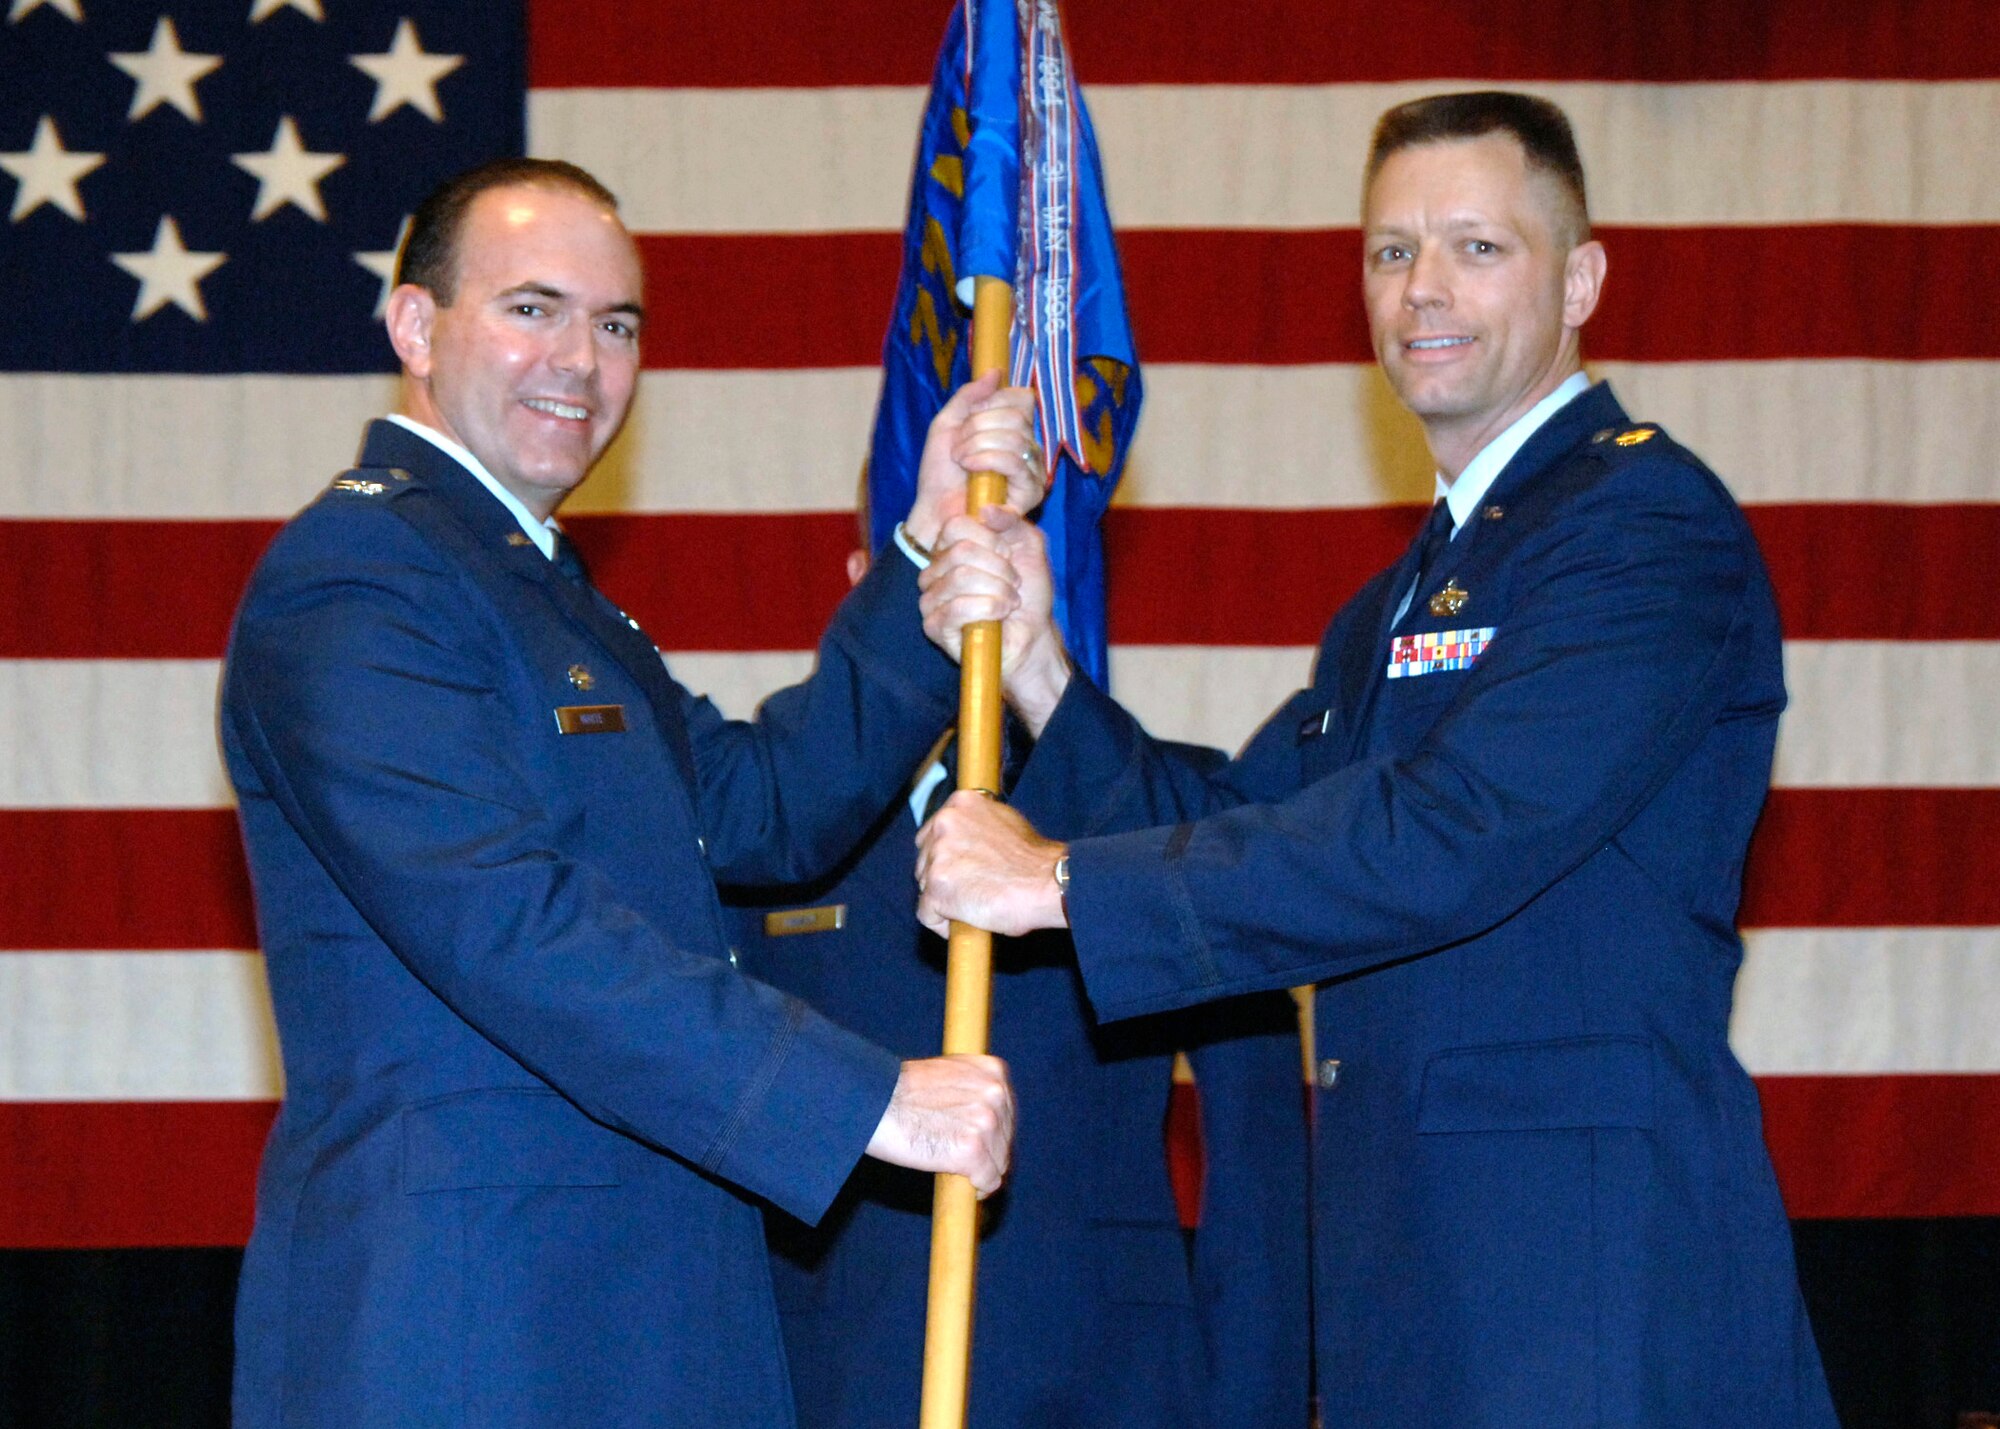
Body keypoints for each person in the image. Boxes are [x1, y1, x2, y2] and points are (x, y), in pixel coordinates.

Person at [912, 93, 1839, 1425]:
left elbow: (1448, 834)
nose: (1423, 291)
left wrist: (1057, 883)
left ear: (1581, 279)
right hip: (1404, 1294)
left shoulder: (1642, 527)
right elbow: (1240, 817)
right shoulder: (1401, 602)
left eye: (1477, 247)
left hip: (1586, 1292)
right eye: (1391, 252)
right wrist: (1048, 666)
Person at [219, 157, 1038, 1428]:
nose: (580, 361)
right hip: (471, 1334)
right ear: (415, 327)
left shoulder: (538, 593)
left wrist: (924, 544)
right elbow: (507, 924)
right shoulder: (360, 579)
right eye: (531, 308)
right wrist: (862, 1097)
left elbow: (761, 805)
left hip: (638, 1321)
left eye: (615, 325)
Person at [724, 545, 1310, 1429]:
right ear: (865, 585)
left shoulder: (1147, 805)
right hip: (836, 1383)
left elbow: (1254, 1140)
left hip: (1108, 1383)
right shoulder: (769, 825)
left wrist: (1250, 1402)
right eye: (938, 562)